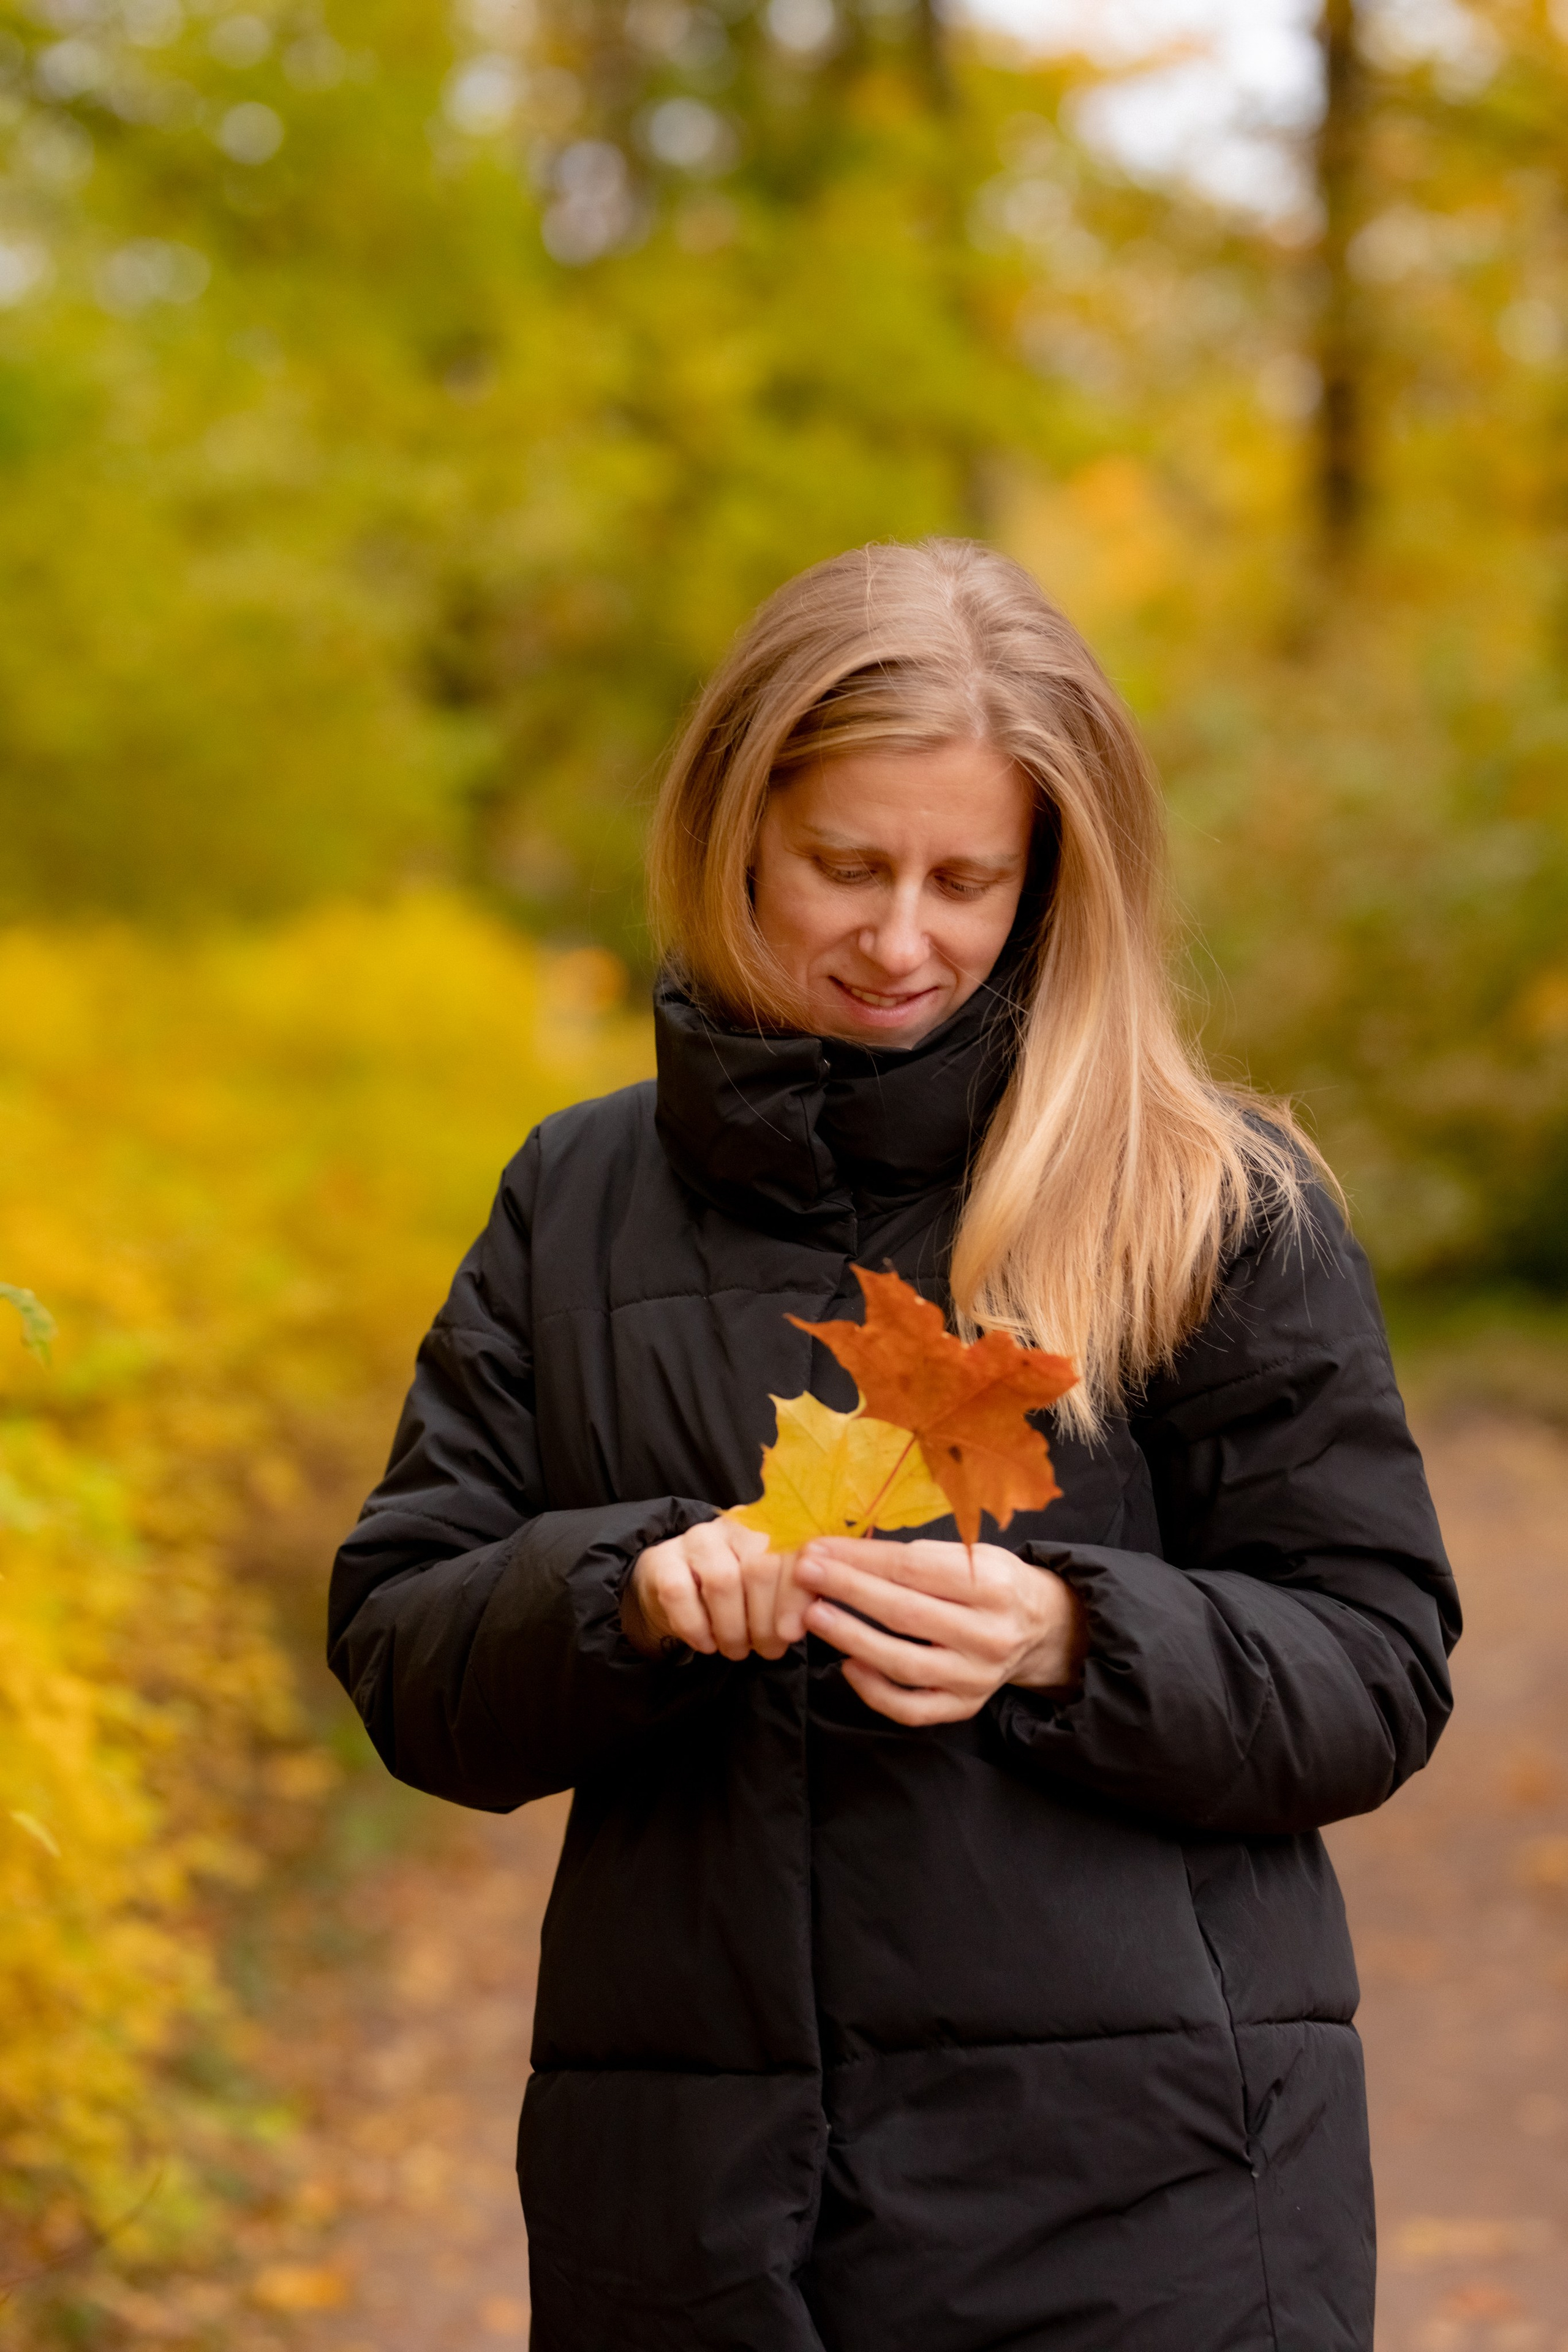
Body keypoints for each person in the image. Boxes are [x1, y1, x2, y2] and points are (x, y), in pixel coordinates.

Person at [328, 538, 1457, 2352]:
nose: (903, 938)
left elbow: (1379, 1665)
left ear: (1052, 878)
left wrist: (1073, 1635)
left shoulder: (1204, 1199)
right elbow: (404, 1649)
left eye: (966, 880)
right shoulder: (576, 1198)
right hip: (689, 2219)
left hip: (1146, 2214)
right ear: (735, 832)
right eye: (847, 868)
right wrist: (626, 1595)